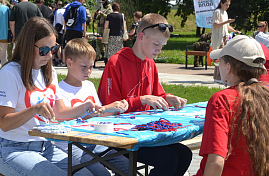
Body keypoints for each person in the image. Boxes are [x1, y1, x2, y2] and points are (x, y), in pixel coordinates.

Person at [0, 17, 97, 176]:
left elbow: (59, 112)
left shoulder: (49, 72)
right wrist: (34, 109)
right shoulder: (9, 72)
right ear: (28, 46)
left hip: (46, 146)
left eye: (53, 49)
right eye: (44, 50)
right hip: (13, 149)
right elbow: (5, 123)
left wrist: (85, 107)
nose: (49, 55)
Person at [98, 13, 192, 176]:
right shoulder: (116, 62)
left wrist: (168, 98)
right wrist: (140, 100)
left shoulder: (150, 63)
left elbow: (158, 95)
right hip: (122, 137)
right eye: (156, 44)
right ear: (140, 37)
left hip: (145, 135)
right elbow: (107, 109)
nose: (159, 49)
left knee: (184, 154)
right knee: (168, 159)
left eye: (162, 45)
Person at [195, 35, 269, 175]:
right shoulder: (266, 96)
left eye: (220, 61)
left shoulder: (222, 100)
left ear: (228, 66)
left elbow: (216, 162)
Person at [54, 38, 129, 175]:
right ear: (69, 63)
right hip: (73, 146)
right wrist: (106, 107)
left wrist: (116, 109)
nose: (88, 71)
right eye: (84, 67)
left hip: (96, 142)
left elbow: (99, 114)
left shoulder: (89, 86)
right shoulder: (59, 90)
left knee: (129, 169)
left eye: (91, 67)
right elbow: (63, 117)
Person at [211, 0, 240, 83]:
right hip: (218, 37)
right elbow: (215, 24)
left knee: (223, 57)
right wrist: (227, 22)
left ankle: (221, 76)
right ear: (221, 3)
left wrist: (235, 31)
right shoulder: (217, 12)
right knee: (219, 57)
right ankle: (217, 77)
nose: (227, 6)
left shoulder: (225, 13)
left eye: (228, 5)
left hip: (225, 37)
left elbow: (226, 26)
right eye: (226, 5)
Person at [53, 2, 68, 66]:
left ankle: (55, 59)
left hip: (57, 28)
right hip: (63, 29)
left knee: (56, 45)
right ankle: (62, 60)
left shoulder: (57, 11)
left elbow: (55, 21)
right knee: (62, 46)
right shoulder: (65, 11)